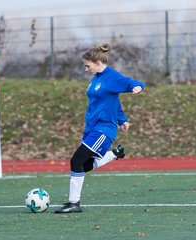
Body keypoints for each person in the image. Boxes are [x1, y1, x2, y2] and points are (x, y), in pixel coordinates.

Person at [54, 44, 145, 214]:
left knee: (76, 161)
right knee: (84, 165)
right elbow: (113, 101)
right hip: (91, 128)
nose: (85, 69)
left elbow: (130, 82)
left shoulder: (111, 77)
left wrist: (137, 87)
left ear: (97, 62)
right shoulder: (96, 79)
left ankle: (74, 203)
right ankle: (114, 154)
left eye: (87, 65)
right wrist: (123, 119)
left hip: (104, 129)